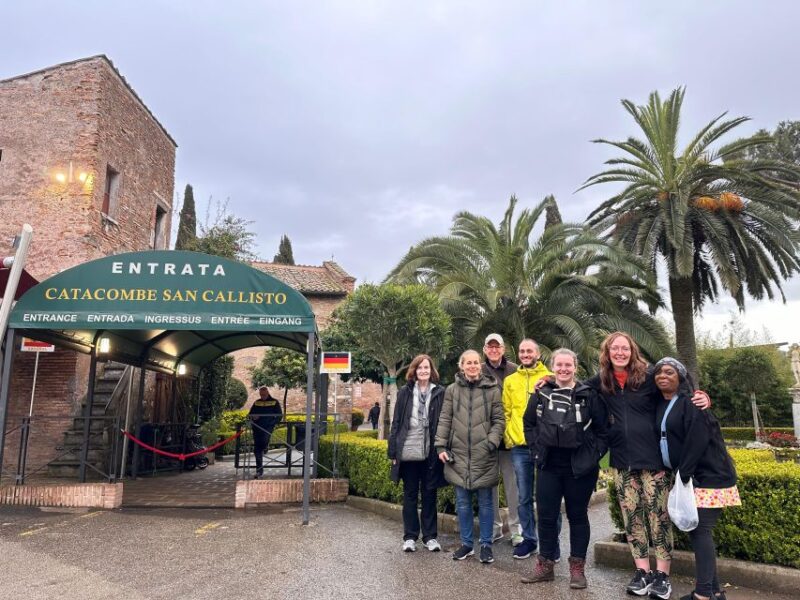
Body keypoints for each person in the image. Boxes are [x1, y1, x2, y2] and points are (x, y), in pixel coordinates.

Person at [586, 332, 710, 600]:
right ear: (607, 353)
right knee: (633, 520)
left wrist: (699, 397)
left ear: (632, 350)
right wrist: (547, 381)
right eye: (614, 349)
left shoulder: (649, 375)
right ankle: (642, 572)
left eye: (624, 348)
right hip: (622, 462)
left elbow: (677, 383)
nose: (620, 352)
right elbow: (576, 387)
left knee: (659, 519)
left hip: (654, 462)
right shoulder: (603, 380)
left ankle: (662, 576)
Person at [652, 357, 740, 600]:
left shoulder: (692, 402)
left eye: (669, 372)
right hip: (693, 477)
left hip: (708, 476)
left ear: (681, 377)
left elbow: (698, 439)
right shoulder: (663, 404)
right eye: (658, 373)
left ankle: (702, 594)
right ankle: (716, 593)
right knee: (699, 532)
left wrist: (683, 474)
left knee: (701, 531)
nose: (662, 376)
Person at [522, 348, 608, 589]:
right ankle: (545, 566)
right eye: (559, 365)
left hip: (579, 469)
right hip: (549, 466)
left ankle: (577, 569)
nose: (563, 369)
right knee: (547, 517)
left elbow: (603, 431)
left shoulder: (588, 395)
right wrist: (535, 450)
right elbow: (528, 423)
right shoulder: (541, 393)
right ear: (552, 367)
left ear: (575, 367)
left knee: (578, 516)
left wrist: (593, 456)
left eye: (568, 365)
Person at [435, 349, 505, 564]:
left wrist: (491, 442)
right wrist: (440, 446)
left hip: (484, 454)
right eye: (469, 363)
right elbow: (445, 419)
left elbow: (499, 421)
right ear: (461, 366)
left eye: (476, 362)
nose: (473, 366)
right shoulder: (452, 390)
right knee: (463, 503)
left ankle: (486, 545)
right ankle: (466, 544)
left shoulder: (492, 390)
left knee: (485, 503)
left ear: (480, 365)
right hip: (458, 454)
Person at [501, 338, 555, 560]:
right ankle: (529, 541)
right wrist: (509, 437)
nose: (525, 354)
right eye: (522, 351)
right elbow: (506, 411)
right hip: (520, 447)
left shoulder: (550, 378)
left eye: (529, 351)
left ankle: (551, 545)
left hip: (545, 446)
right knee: (523, 497)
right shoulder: (510, 380)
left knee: (549, 496)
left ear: (538, 354)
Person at [387, 354, 447, 553]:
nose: (423, 371)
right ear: (414, 370)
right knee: (410, 494)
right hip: (408, 450)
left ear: (431, 371)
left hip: (430, 450)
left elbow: (444, 422)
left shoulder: (439, 392)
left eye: (427, 368)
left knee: (429, 494)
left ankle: (430, 537)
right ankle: (410, 536)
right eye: (420, 367)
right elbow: (396, 422)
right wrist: (393, 450)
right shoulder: (405, 392)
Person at [481, 333, 521, 545]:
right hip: (488, 438)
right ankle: (495, 527)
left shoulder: (514, 369)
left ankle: (515, 529)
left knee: (512, 485)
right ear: (485, 349)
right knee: (491, 485)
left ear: (503, 349)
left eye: (498, 347)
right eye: (490, 347)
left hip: (509, 438)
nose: (494, 350)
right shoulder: (478, 370)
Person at [249, 385, 283, 479]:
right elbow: (250, 414)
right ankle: (259, 471)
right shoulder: (257, 402)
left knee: (264, 442)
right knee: (257, 450)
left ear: (267, 393)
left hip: (267, 427)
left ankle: (266, 447)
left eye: (264, 394)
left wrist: (272, 423)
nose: (262, 396)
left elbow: (280, 415)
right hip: (257, 428)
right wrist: (253, 417)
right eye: (261, 394)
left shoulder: (274, 402)